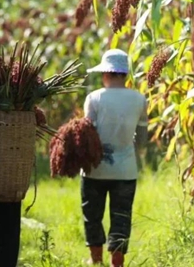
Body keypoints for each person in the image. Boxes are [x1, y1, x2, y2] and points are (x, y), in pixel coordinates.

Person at [81, 49, 149, 267]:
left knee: (93, 216)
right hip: (125, 170)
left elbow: (86, 134)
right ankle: (116, 263)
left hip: (94, 170)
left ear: (106, 74)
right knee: (121, 217)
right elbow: (142, 140)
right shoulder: (140, 99)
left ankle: (96, 260)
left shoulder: (94, 98)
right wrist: (134, 152)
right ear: (124, 75)